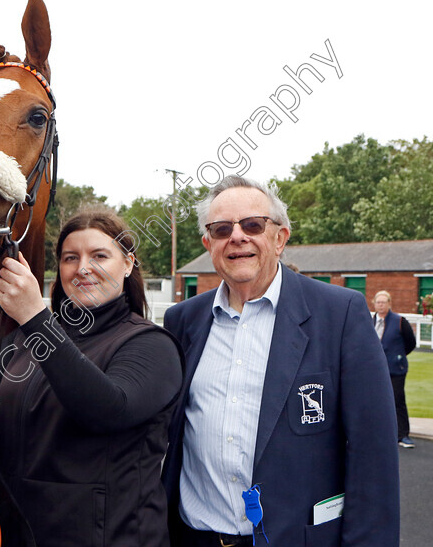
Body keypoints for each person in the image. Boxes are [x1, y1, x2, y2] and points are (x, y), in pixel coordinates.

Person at [162, 175, 399, 547]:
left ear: (280, 238)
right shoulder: (182, 321)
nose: (237, 237)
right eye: (222, 228)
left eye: (253, 224)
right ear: (209, 244)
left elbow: (373, 454)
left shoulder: (339, 314)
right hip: (195, 536)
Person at [0, 208, 183, 546]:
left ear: (128, 263)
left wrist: (35, 318)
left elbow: (107, 410)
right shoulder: (22, 340)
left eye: (99, 255)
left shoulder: (151, 345)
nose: (83, 268)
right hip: (16, 532)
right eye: (70, 258)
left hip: (111, 535)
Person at [373, 290, 417, 448]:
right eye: (378, 302)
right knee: (375, 401)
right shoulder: (370, 322)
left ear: (389, 303)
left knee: (397, 400)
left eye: (383, 302)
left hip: (396, 369)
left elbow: (411, 343)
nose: (380, 305)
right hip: (375, 370)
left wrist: (398, 356)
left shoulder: (399, 321)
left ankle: (403, 434)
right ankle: (380, 432)